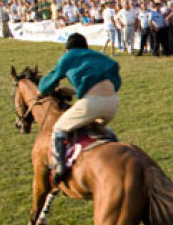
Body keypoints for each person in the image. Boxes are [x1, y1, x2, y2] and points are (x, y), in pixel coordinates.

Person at [38, 33, 121, 182]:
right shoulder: (98, 56)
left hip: (92, 103)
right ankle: (117, 145)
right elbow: (115, 78)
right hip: (113, 103)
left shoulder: (69, 56)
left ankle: (59, 167)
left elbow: (49, 82)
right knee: (98, 128)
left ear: (68, 48)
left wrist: (42, 90)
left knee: (59, 128)